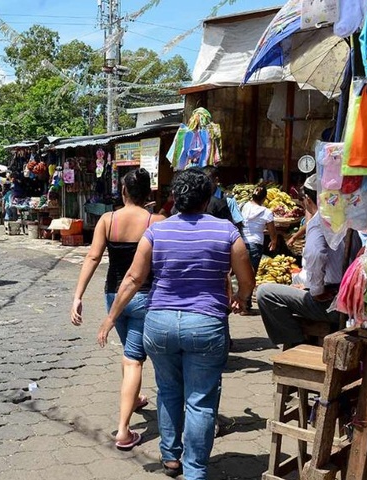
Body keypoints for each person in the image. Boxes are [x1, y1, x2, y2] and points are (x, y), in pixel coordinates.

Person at [103, 169, 254, 480]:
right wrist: (241, 297)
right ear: (208, 198)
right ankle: (195, 471)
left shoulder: (157, 232)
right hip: (206, 325)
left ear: (175, 198)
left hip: (159, 324)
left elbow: (133, 278)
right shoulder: (227, 231)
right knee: (200, 401)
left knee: (168, 390)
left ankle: (171, 458)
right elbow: (246, 277)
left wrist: (110, 318)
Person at [71, 168, 164, 450]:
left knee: (129, 355)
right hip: (145, 295)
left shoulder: (107, 220)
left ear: (123, 192)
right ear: (148, 193)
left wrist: (78, 295)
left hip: (113, 296)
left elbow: (93, 256)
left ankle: (133, 399)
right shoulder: (156, 220)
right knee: (134, 360)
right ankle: (123, 431)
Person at [257, 174, 348, 347]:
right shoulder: (345, 219)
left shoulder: (319, 221)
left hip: (332, 302)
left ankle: (295, 343)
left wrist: (316, 291)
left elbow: (316, 255)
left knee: (265, 293)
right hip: (345, 297)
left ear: (307, 199)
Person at [241, 186, 278, 272]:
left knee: (240, 273)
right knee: (251, 273)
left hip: (241, 243)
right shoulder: (267, 212)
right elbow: (272, 232)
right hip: (255, 244)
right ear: (264, 198)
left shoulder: (243, 206)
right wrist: (274, 242)